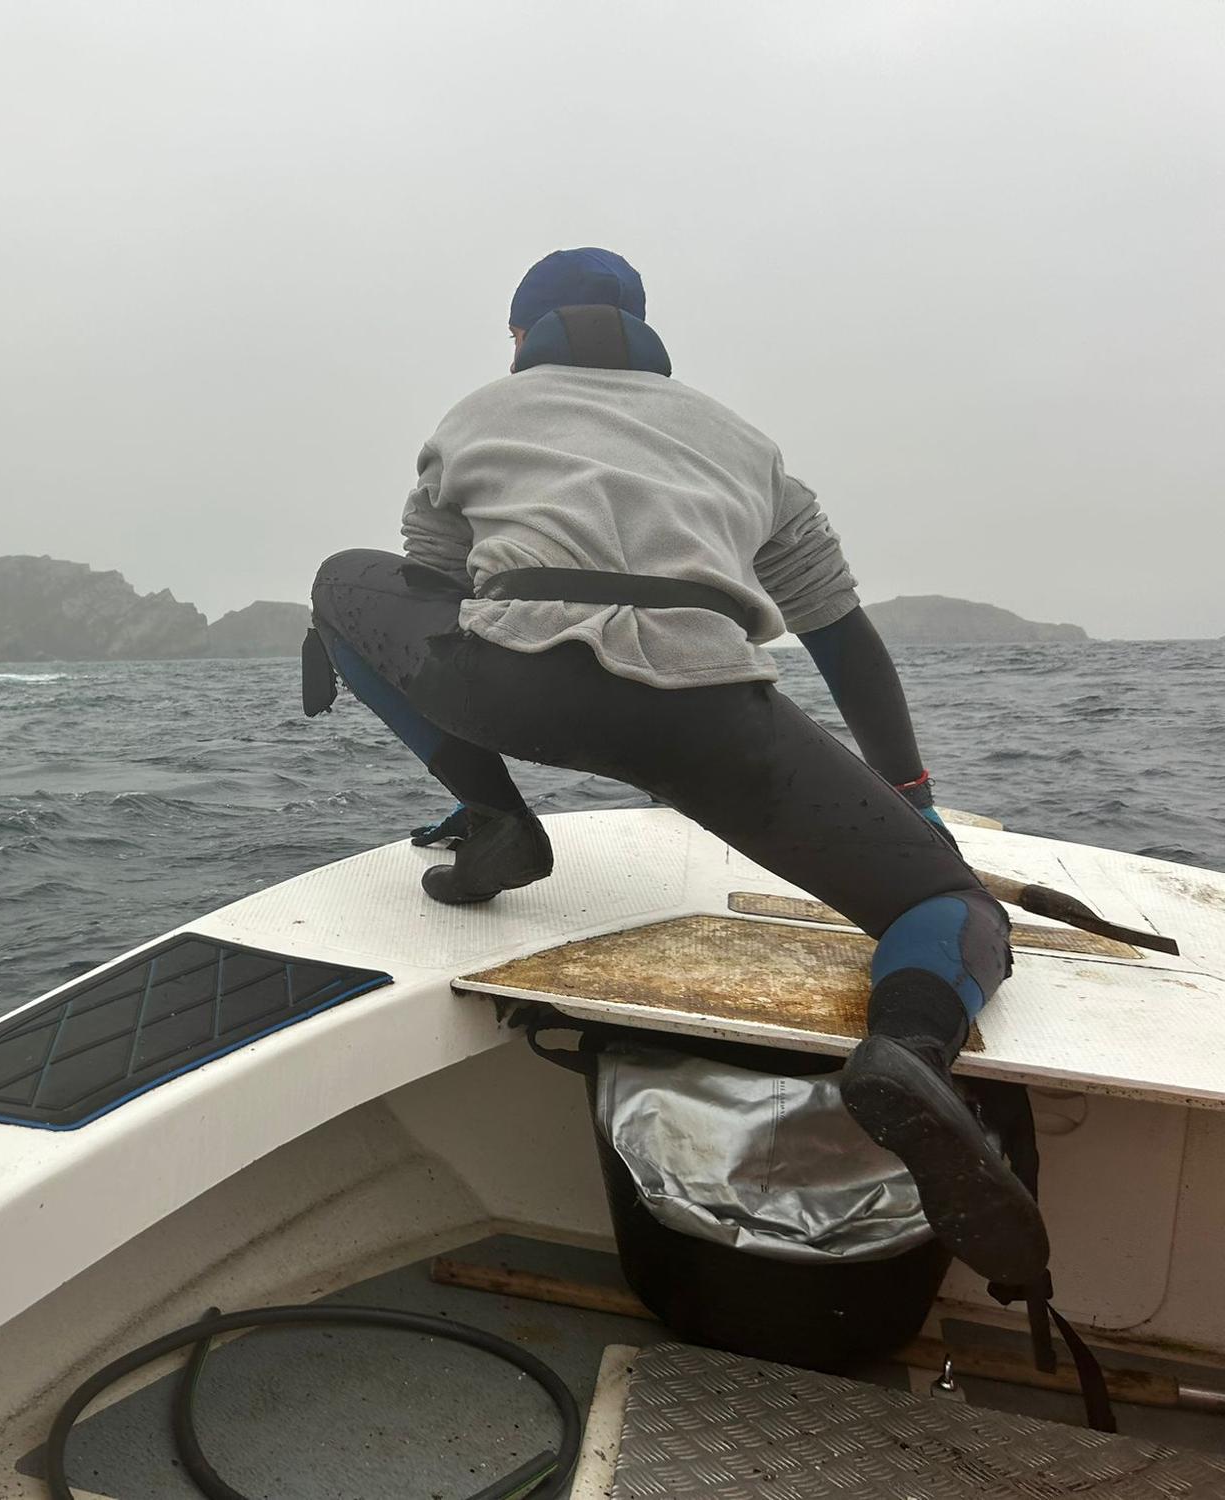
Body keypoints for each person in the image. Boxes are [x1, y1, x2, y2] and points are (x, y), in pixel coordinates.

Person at [304, 247, 1046, 1286]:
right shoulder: (747, 446)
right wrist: (911, 805)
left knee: (342, 580)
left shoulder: (473, 414)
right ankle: (910, 1050)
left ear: (519, 336)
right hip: (711, 717)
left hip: (513, 687)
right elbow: (842, 639)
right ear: (644, 329)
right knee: (946, 905)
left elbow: (430, 588)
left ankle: (497, 820)